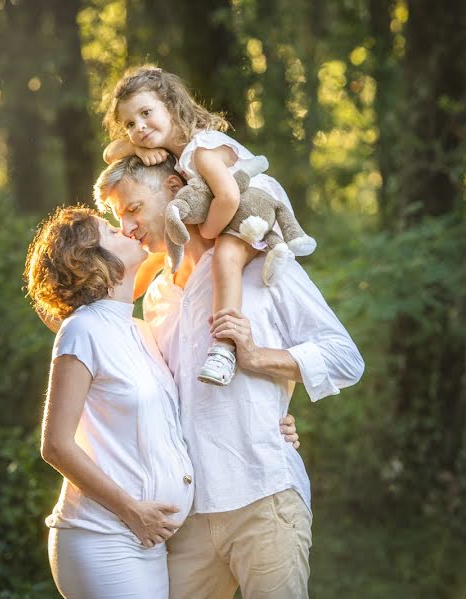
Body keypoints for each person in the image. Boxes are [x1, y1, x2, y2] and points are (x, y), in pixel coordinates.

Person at [95, 157, 365, 599]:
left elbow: (344, 357)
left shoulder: (261, 263)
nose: (126, 227)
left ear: (173, 187)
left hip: (263, 495)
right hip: (187, 516)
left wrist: (258, 359)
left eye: (133, 208)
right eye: (117, 217)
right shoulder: (156, 296)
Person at [24, 206, 300, 598]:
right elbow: (55, 445)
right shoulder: (82, 329)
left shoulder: (139, 329)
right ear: (90, 258)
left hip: (150, 538)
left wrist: (276, 419)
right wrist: (131, 511)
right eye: (110, 229)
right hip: (104, 536)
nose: (124, 229)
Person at [102, 65, 313, 387]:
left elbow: (228, 197)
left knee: (224, 257)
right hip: (230, 208)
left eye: (146, 113)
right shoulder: (170, 151)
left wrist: (210, 233)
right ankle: (114, 299)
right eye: (130, 123)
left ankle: (224, 348)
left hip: (249, 206)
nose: (140, 127)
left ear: (171, 106)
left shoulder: (201, 150)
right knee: (172, 250)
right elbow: (110, 153)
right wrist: (138, 147)